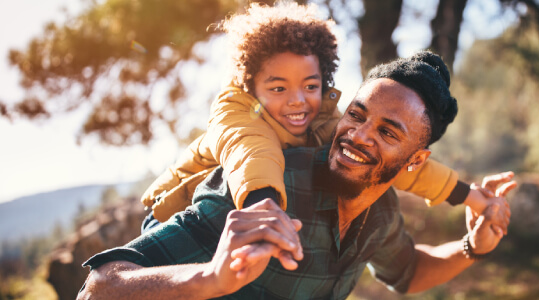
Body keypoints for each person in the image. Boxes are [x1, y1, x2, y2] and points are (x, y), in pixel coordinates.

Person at [78, 51, 516, 299]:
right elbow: (99, 288)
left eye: (386, 131)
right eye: (357, 115)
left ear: (416, 160)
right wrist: (210, 277)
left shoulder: (381, 214)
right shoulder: (266, 190)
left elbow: (409, 272)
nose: (357, 135)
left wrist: (471, 247)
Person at [139, 2, 495, 229]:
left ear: (323, 80)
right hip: (170, 214)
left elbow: (396, 162)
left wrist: (470, 196)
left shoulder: (327, 118)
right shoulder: (237, 114)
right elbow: (251, 152)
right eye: (278, 88)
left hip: (241, 212)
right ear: (251, 86)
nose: (298, 101)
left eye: (310, 86)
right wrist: (262, 205)